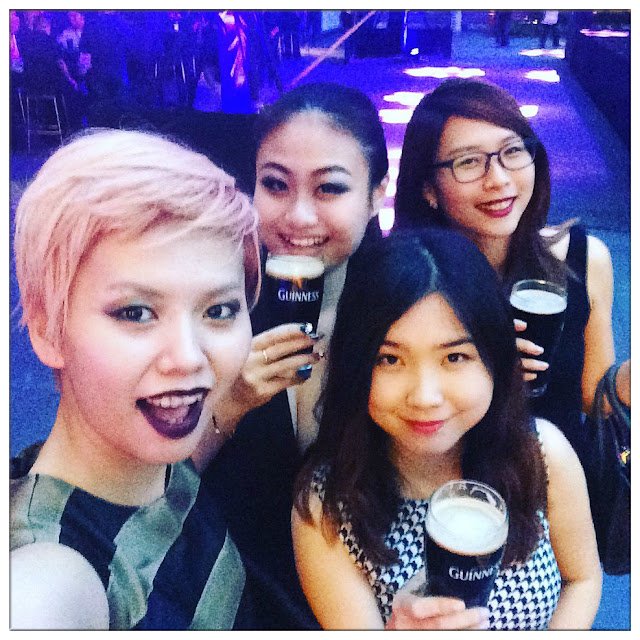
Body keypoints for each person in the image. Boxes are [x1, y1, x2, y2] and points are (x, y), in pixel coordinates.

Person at [10, 129, 261, 630]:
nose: (188, 358)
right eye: (136, 312)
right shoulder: (54, 569)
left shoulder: (151, 458)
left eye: (219, 310)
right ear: (47, 329)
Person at [292, 228, 602, 629]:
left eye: (454, 357)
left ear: (494, 357)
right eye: (389, 359)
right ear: (357, 367)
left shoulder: (543, 454)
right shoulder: (325, 506)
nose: (425, 397)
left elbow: (582, 579)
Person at [194, 82, 389, 629]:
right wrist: (230, 405)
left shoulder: (413, 307)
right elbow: (153, 482)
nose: (299, 217)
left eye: (330, 188)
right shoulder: (210, 302)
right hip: (236, 594)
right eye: (275, 185)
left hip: (375, 601)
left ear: (377, 194)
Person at [393, 77, 629, 465]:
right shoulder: (404, 279)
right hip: (458, 485)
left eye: (512, 151)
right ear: (428, 189)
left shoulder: (583, 258)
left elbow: (592, 396)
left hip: (564, 479)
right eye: (468, 162)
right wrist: (476, 366)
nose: (499, 180)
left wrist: (627, 381)